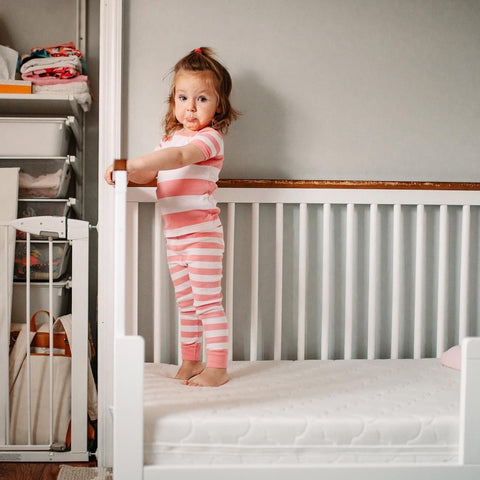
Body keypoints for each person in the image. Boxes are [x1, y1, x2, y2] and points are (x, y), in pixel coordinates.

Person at [105, 47, 238, 386]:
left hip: (202, 233)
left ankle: (218, 367)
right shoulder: (167, 140)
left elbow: (179, 158)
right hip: (175, 236)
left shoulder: (210, 139)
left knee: (208, 302)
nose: (190, 107)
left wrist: (135, 163)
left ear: (218, 105)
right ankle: (191, 361)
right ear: (173, 101)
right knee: (187, 305)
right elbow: (153, 175)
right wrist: (123, 175)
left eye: (202, 99)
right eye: (182, 97)